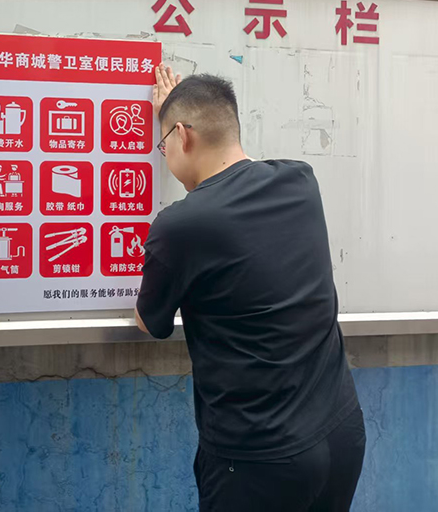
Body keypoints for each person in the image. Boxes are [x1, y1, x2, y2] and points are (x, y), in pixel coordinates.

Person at [135, 66, 365, 511]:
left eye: (163, 144)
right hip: (341, 433)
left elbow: (150, 322)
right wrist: (176, 114)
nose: (164, 155)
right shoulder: (300, 181)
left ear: (182, 136)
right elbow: (240, 173)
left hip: (259, 459)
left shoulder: (180, 225)